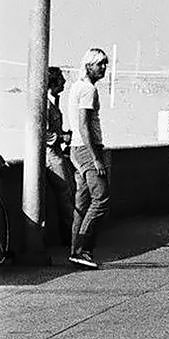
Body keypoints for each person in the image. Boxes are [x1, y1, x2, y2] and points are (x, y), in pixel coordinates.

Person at [67, 47, 111, 269]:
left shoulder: (76, 87)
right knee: (101, 198)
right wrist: (96, 158)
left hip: (76, 149)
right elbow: (84, 126)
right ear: (88, 65)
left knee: (82, 202)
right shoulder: (88, 90)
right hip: (87, 149)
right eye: (100, 63)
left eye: (105, 64)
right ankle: (83, 249)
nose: (103, 68)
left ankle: (75, 251)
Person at [45, 66, 75, 247]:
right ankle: (71, 237)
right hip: (51, 156)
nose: (64, 82)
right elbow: (45, 134)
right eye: (61, 79)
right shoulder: (45, 105)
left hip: (55, 153)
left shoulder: (52, 103)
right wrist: (63, 137)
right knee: (65, 193)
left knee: (68, 192)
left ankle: (70, 234)